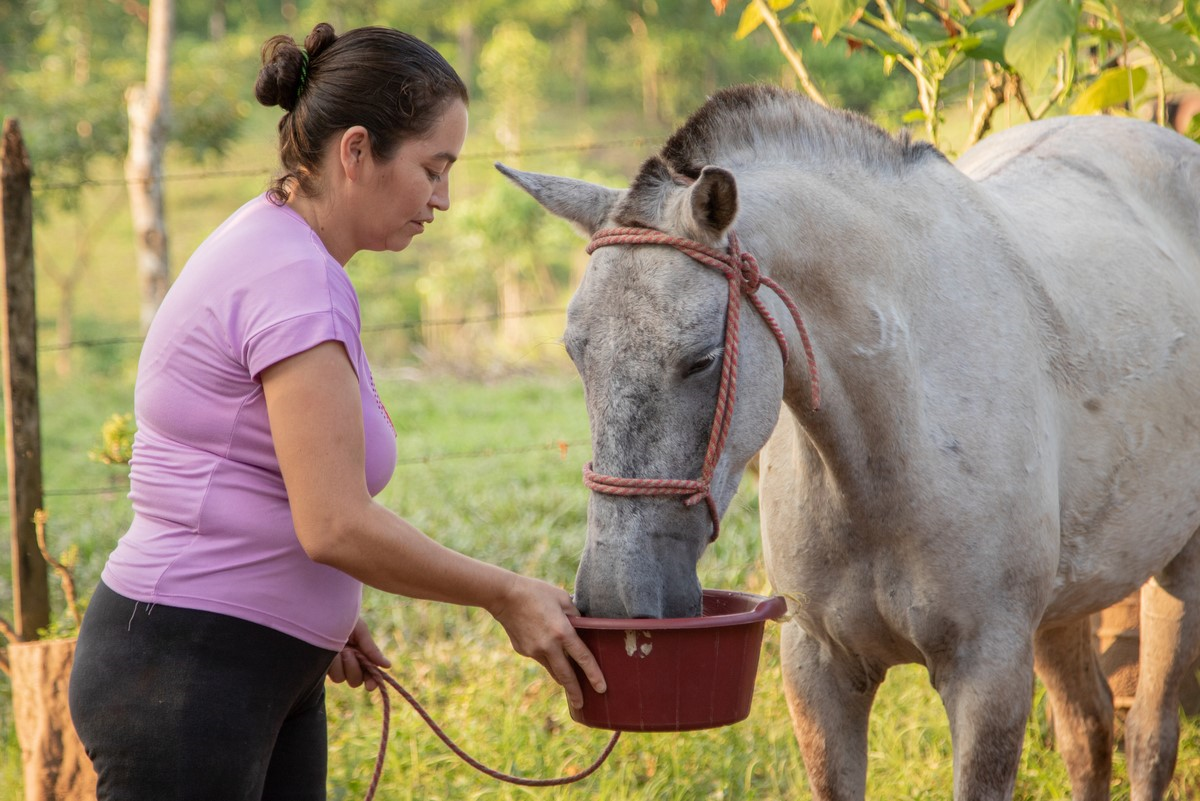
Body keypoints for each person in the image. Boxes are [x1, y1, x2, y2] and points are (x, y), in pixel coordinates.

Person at [68, 22, 605, 800]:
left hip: (243, 659)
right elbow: (335, 523)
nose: (444, 200)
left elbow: (269, 479)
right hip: (186, 670)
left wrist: (306, 608)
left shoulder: (279, 247)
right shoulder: (294, 279)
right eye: (433, 168)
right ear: (356, 152)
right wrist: (505, 591)